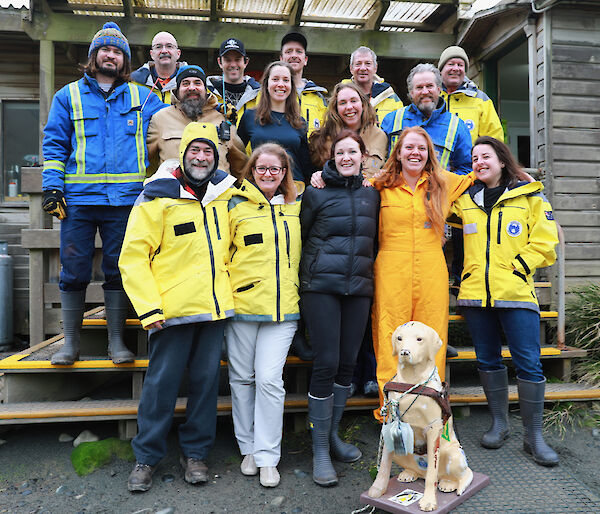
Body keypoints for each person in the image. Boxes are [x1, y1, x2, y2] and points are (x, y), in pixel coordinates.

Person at [119, 122, 236, 492]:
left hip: (214, 311)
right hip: (169, 313)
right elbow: (133, 257)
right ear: (181, 155)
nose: (201, 158)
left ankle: (196, 453)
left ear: (216, 158)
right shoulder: (156, 197)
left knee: (205, 385)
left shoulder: (225, 196)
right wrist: (149, 309)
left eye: (207, 152)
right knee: (160, 387)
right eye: (194, 151)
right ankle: (146, 457)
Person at [42, 22, 166, 366]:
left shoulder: (145, 98)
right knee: (74, 270)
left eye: (117, 51)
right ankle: (70, 344)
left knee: (119, 269)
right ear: (93, 56)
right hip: (78, 201)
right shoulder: (67, 96)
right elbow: (53, 144)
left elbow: (169, 130)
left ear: (124, 60)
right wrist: (52, 185)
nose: (110, 55)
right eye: (104, 50)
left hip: (126, 202)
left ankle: (116, 343)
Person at [451, 136, 559, 467]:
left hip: (515, 295)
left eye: (486, 156)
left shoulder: (530, 197)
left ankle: (534, 437)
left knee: (529, 363)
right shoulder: (464, 201)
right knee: (487, 360)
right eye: (474, 158)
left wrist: (519, 268)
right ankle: (500, 424)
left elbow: (545, 241)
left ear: (501, 161)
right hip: (475, 297)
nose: (479, 162)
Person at [371, 127, 475, 421]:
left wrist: (523, 179)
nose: (415, 153)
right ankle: (392, 410)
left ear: (430, 154)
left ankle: (429, 409)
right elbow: (347, 183)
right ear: (399, 153)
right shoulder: (380, 185)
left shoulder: (443, 183)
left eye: (421, 148)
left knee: (431, 337)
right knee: (391, 336)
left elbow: (481, 174)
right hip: (391, 267)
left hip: (431, 267)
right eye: (409, 148)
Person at [300, 130, 380, 486]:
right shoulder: (316, 192)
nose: (347, 157)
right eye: (340, 152)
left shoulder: (373, 194)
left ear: (364, 156)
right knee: (327, 362)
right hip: (321, 287)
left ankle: (333, 436)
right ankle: (319, 448)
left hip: (359, 287)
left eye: (353, 151)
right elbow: (299, 237)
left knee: (348, 363)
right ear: (330, 157)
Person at [226, 144, 301, 488]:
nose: (268, 174)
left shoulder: (298, 204)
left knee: (269, 380)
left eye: (276, 169)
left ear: (285, 172)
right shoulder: (233, 204)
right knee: (241, 380)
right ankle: (249, 449)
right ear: (251, 170)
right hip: (242, 307)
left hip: (283, 309)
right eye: (262, 169)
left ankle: (269, 455)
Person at [146, 64, 247, 176]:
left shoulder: (222, 118)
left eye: (197, 83)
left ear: (205, 89)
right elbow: (144, 161)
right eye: (185, 83)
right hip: (174, 191)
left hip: (219, 192)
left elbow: (241, 166)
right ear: (177, 90)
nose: (192, 87)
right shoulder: (161, 118)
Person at [381, 63, 472, 174]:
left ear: (439, 89)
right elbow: (379, 161)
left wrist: (446, 185)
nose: (425, 92)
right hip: (396, 190)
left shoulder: (457, 126)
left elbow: (467, 168)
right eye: (419, 87)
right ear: (411, 93)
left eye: (429, 86)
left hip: (438, 190)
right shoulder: (391, 120)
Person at [237, 61, 314, 183]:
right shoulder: (250, 117)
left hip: (294, 190)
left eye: (286, 80)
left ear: (291, 85)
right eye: (275, 79)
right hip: (260, 188)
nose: (280, 84)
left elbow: (305, 164)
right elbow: (237, 155)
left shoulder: (300, 122)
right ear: (266, 84)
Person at [309, 82, 387, 178]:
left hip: (369, 191)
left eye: (353, 101)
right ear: (336, 108)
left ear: (363, 104)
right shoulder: (322, 138)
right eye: (342, 103)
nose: (349, 107)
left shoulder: (380, 136)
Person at [438, 46, 504, 143]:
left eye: (460, 65)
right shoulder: (430, 96)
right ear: (441, 69)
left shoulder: (481, 99)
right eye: (451, 64)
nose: (456, 68)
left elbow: (494, 139)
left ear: (465, 71)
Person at [279, 32, 328, 135]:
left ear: (305, 60)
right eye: (289, 51)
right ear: (281, 59)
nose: (294, 55)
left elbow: (326, 134)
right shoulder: (271, 93)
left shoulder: (318, 97)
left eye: (299, 51)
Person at [206, 38, 261, 123]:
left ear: (246, 62)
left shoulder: (260, 94)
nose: (233, 64)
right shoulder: (207, 93)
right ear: (220, 62)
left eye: (237, 59)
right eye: (228, 60)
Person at [345, 46, 403, 125]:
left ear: (375, 68)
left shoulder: (391, 98)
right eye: (358, 64)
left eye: (368, 64)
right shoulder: (339, 96)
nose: (363, 68)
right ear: (351, 68)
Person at [131, 31, 187, 104]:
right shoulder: (134, 82)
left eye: (169, 46)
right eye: (158, 47)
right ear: (152, 54)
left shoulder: (193, 83)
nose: (164, 51)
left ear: (178, 53)